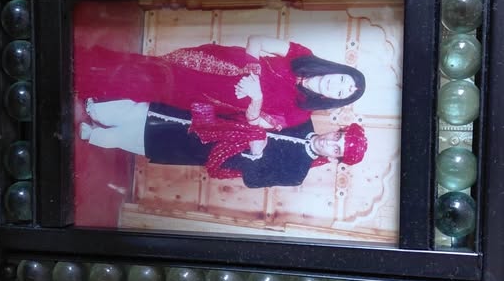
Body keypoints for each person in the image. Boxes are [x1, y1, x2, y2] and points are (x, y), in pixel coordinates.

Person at [75, 35, 365, 133]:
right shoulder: (302, 55)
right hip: (214, 64)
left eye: (342, 93)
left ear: (336, 99)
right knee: (152, 67)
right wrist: (253, 72)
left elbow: (256, 124)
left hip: (211, 99)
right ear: (337, 70)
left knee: (150, 87)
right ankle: (90, 63)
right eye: (343, 80)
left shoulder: (300, 114)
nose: (336, 87)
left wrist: (256, 97)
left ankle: (89, 78)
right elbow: (257, 40)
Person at [79, 100, 368, 187]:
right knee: (151, 113)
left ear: (334, 158)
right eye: (337, 137)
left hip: (212, 150)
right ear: (336, 130)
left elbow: (254, 180)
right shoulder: (301, 120)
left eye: (337, 149)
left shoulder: (297, 172)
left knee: (148, 141)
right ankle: (98, 111)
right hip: (216, 120)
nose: (331, 143)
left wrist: (256, 155)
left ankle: (95, 135)